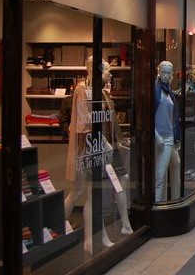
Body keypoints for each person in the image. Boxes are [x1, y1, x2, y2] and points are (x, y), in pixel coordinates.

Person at [64, 57, 132, 254]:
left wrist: (115, 141)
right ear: (95, 71)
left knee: (94, 193)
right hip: (88, 150)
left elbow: (107, 122)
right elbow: (84, 124)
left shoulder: (101, 92)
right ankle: (59, 229)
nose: (110, 74)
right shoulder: (81, 90)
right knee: (79, 193)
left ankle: (96, 237)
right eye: (107, 70)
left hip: (102, 149)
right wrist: (103, 143)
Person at [153, 61, 181, 202]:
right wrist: (157, 138)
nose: (165, 75)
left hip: (169, 136)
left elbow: (173, 117)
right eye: (163, 72)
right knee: (160, 174)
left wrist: (176, 137)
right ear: (159, 72)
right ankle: (157, 207)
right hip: (160, 137)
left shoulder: (168, 91)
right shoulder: (156, 90)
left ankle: (175, 199)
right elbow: (148, 117)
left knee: (176, 164)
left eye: (168, 73)